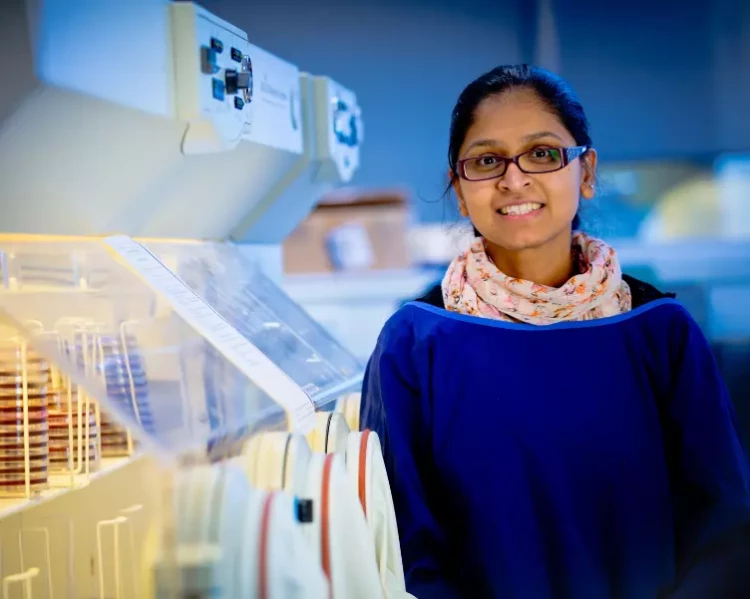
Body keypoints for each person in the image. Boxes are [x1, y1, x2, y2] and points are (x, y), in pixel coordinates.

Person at [360, 64, 750, 599]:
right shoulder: (415, 343)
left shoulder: (661, 332)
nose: (513, 179)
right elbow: (401, 548)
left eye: (543, 153)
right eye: (487, 160)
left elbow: (724, 531)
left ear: (585, 171)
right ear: (458, 187)